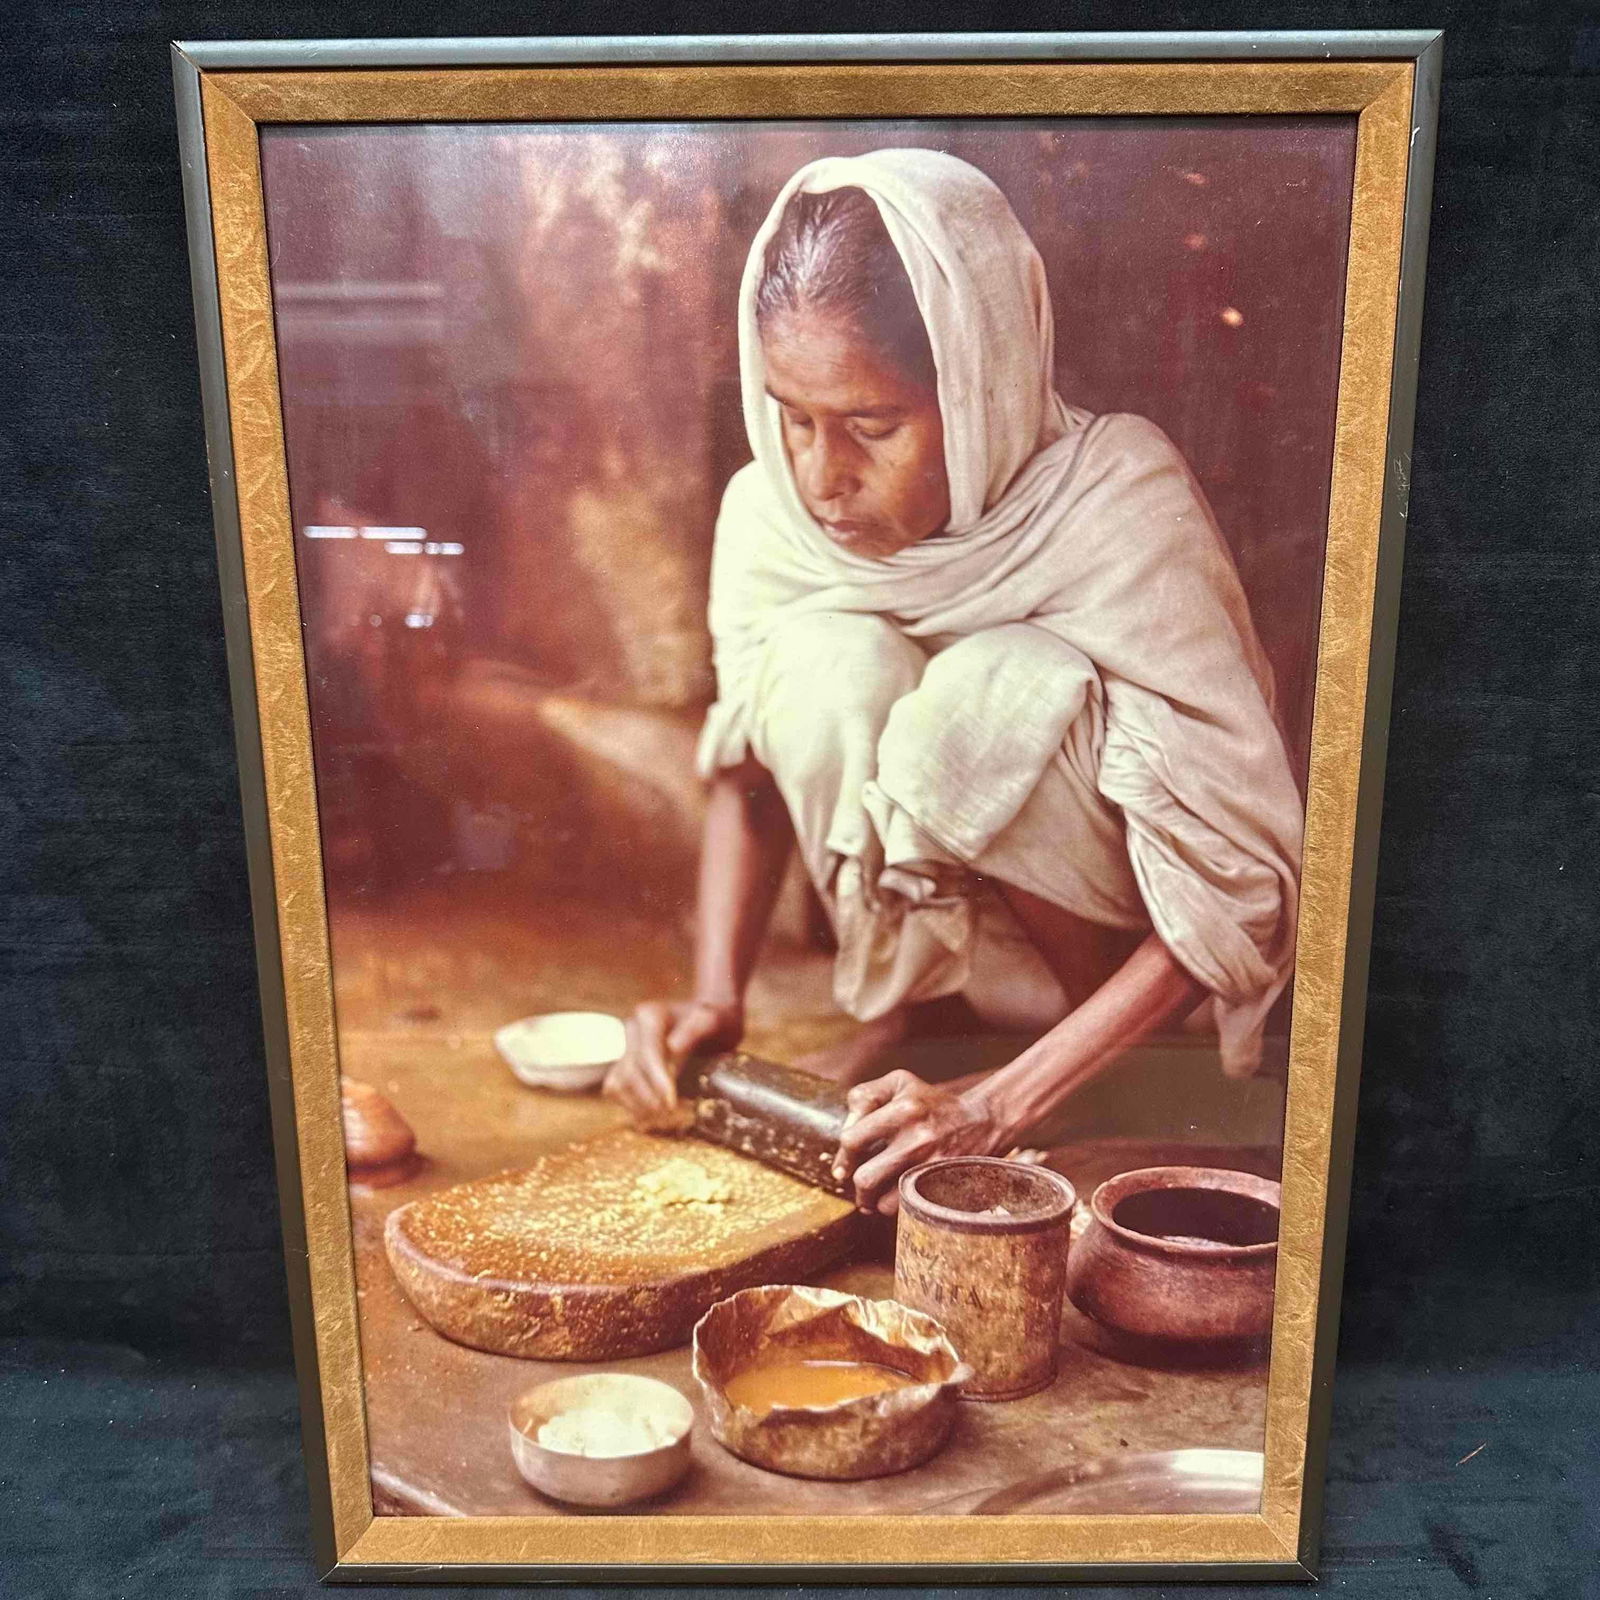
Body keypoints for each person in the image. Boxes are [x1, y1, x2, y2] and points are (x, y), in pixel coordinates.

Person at [603, 148, 1302, 1215]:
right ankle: (914, 1016)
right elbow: (746, 770)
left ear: (979, 384)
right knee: (826, 658)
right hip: (942, 968)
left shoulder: (1114, 507)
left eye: (870, 428)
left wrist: (1005, 1103)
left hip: (1123, 994)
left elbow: (1236, 895)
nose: (821, 477)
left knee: (996, 686)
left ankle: (1077, 1079)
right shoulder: (772, 517)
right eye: (793, 417)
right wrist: (714, 997)